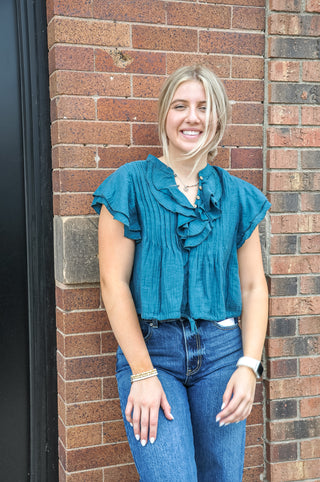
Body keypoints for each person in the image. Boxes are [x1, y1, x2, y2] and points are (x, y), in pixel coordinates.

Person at [92, 65, 271, 482]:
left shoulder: (239, 197)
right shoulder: (129, 185)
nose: (192, 117)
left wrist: (249, 365)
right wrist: (142, 371)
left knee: (222, 476)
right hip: (154, 353)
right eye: (181, 106)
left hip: (223, 354)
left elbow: (253, 286)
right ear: (164, 115)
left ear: (218, 119)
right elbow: (112, 284)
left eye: (204, 108)